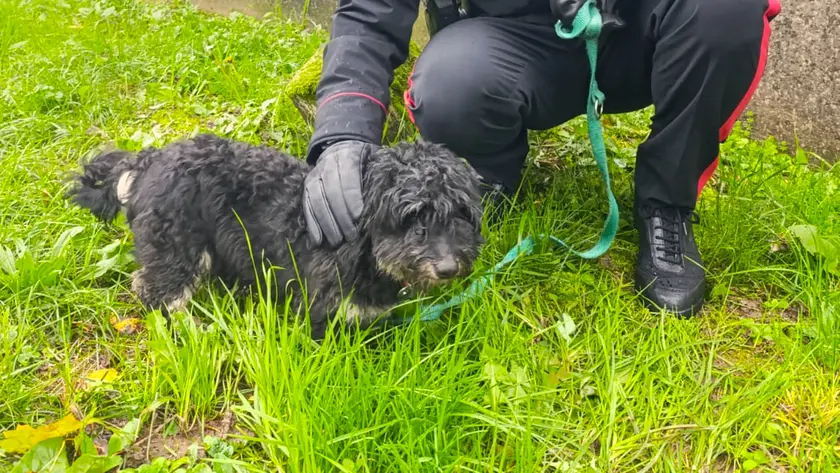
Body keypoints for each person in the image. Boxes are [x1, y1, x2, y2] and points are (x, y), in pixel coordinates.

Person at [300, 0, 782, 316]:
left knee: (727, 9)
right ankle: (486, 185)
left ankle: (666, 207)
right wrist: (344, 133)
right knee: (451, 86)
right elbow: (368, 12)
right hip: (511, 41)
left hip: (642, 31)